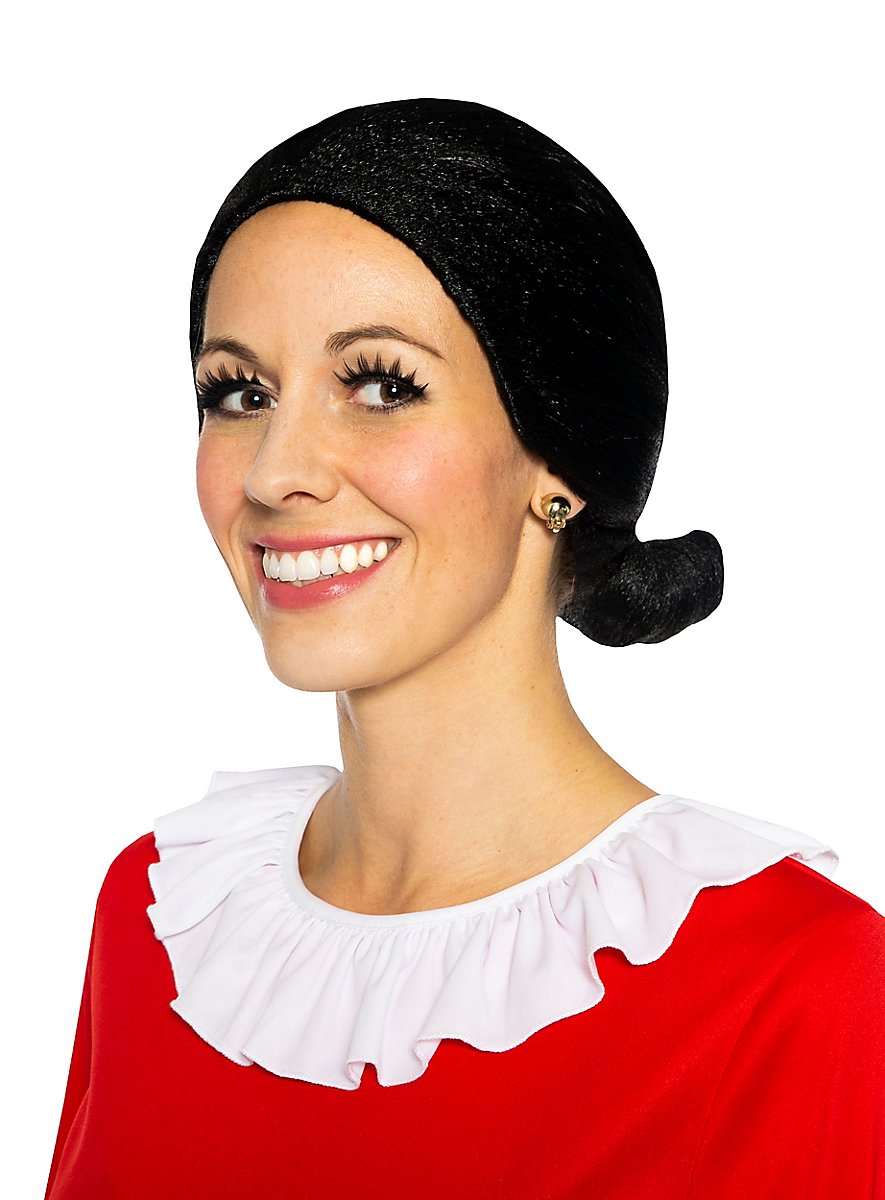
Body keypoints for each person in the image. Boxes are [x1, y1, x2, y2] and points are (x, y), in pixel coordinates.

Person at [44, 98, 884, 1199]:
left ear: (557, 466)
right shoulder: (161, 921)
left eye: (380, 385)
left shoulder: (792, 986)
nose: (273, 472)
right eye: (239, 393)